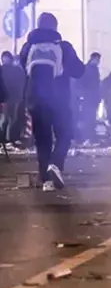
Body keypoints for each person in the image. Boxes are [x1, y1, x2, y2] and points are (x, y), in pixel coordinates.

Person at [18, 12, 85, 191]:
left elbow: (22, 69)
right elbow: (79, 71)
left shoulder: (27, 47)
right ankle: (55, 164)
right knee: (65, 134)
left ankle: (46, 181)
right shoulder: (63, 46)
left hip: (35, 100)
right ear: (55, 27)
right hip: (59, 99)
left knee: (42, 139)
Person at [1, 50, 26, 146]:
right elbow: (23, 82)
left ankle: (6, 139)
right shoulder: (17, 70)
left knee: (7, 119)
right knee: (10, 119)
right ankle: (8, 139)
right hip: (12, 97)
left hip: (9, 97)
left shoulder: (4, 69)